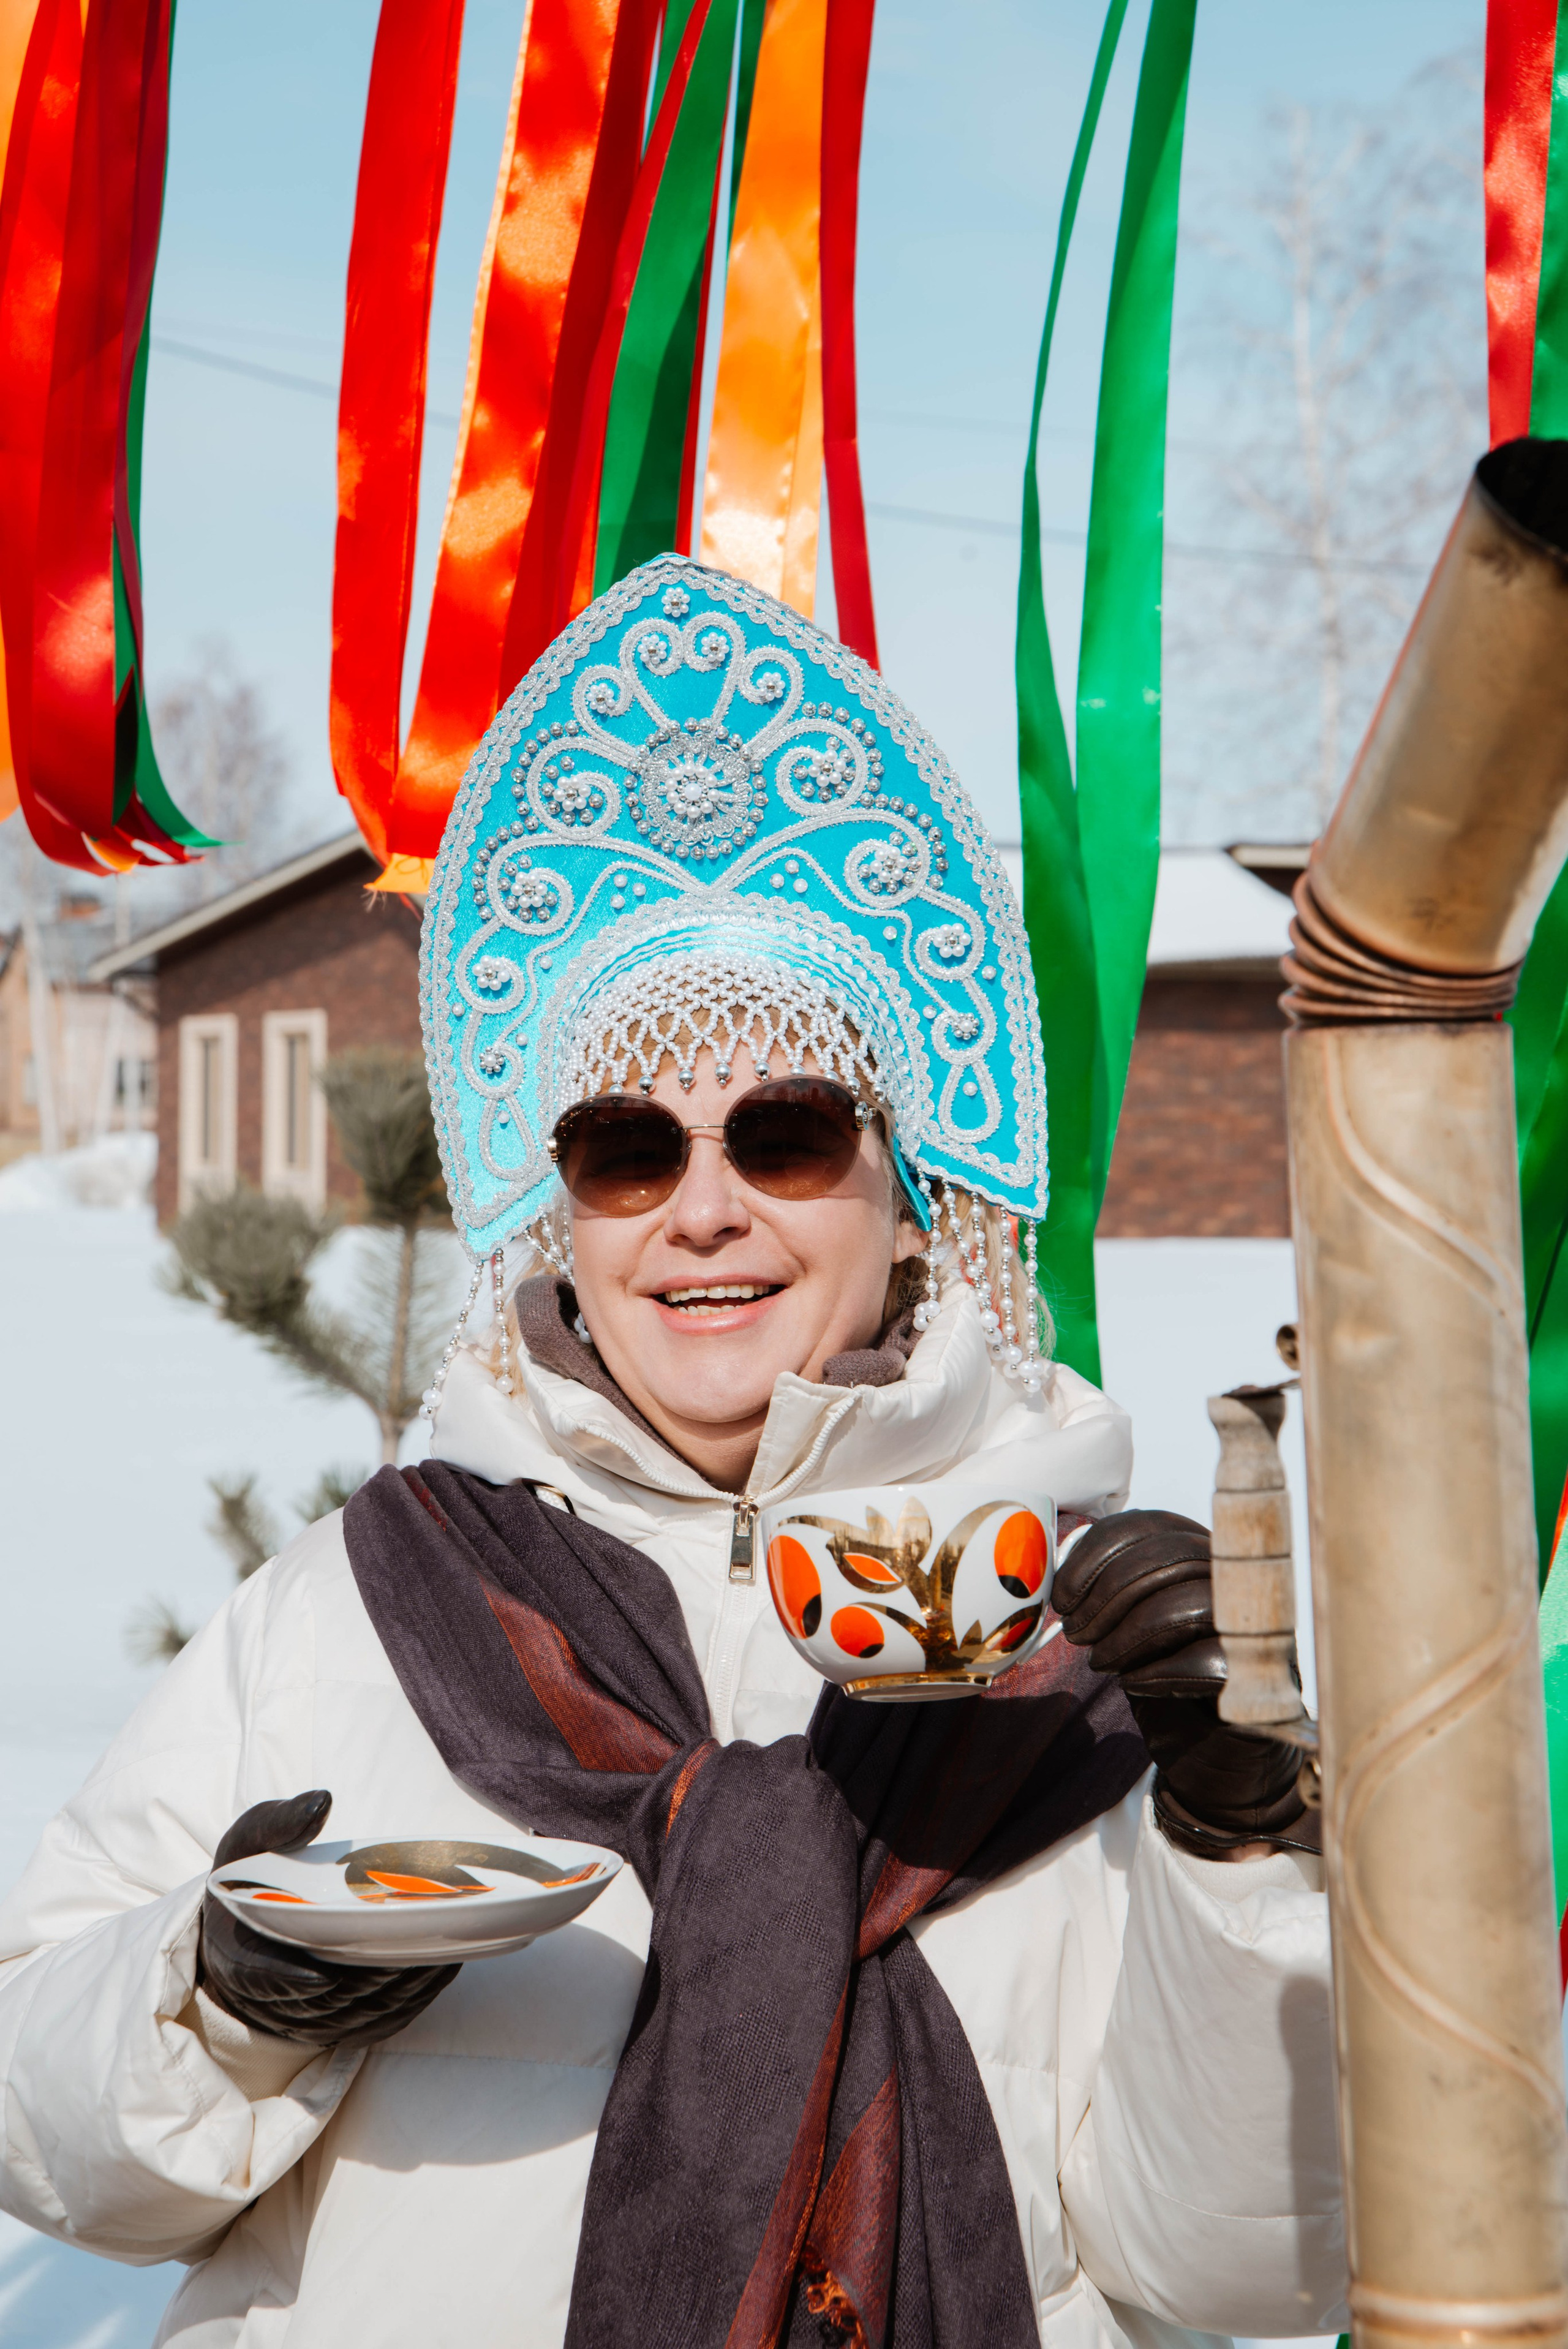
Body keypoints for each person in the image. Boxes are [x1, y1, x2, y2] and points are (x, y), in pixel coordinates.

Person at [0, 559, 1345, 2346]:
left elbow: (1251, 2264)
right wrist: (221, 1994)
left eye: (784, 1132)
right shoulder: (364, 1605)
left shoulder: (1084, 1645)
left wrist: (1241, 1852)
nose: (702, 1211)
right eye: (630, 1147)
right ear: (563, 1207)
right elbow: (52, 2132)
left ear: (911, 1189)